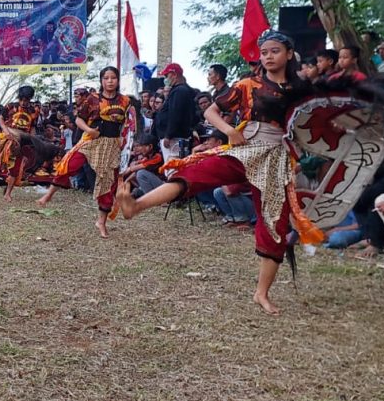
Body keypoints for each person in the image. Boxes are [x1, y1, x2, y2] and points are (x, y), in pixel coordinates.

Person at [116, 31, 323, 316]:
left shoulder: (302, 91)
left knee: (273, 225)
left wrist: (299, 156)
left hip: (277, 159)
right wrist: (228, 131)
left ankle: (261, 293)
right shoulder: (248, 85)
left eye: (274, 51)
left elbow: (308, 129)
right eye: (264, 52)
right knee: (196, 171)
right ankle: (136, 206)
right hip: (246, 148)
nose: (268, 57)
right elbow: (212, 112)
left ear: (289, 54)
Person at [38, 67, 132, 239]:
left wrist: (124, 141)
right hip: (91, 139)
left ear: (118, 80)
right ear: (101, 80)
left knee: (107, 183)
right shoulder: (93, 98)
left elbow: (130, 125)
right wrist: (89, 129)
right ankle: (49, 195)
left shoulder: (125, 101)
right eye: (106, 78)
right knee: (69, 164)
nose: (110, 81)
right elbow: (78, 118)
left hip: (111, 145)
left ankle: (101, 222)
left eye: (113, 78)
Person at [156, 62, 199, 163]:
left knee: (173, 167)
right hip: (178, 137)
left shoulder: (179, 91)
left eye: (167, 75)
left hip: (174, 139)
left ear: (174, 74)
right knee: (176, 165)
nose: (165, 78)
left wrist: (168, 135)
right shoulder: (183, 90)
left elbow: (175, 114)